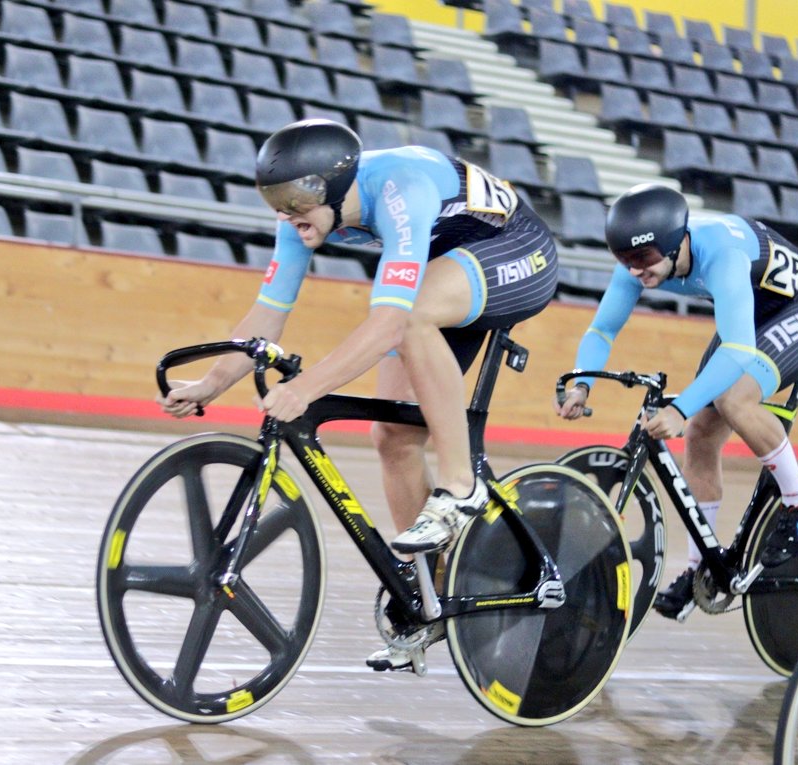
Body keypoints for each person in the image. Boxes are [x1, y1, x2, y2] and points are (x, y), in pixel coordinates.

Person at [159, 119, 559, 668]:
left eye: (297, 199)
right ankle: (430, 600)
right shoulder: (302, 216)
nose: (286, 212)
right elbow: (267, 316)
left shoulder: (399, 187)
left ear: (336, 186)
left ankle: (461, 485)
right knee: (393, 438)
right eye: (275, 199)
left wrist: (306, 389)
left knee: (412, 313)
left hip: (516, 250)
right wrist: (211, 382)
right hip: (448, 267)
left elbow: (391, 324)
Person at [554, 183, 798, 622]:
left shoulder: (720, 252)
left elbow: (740, 351)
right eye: (625, 262)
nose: (635, 272)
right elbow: (602, 330)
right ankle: (698, 570)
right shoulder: (641, 259)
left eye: (645, 261)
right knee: (702, 434)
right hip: (750, 309)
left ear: (675, 243)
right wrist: (582, 383)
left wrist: (679, 408)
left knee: (734, 399)